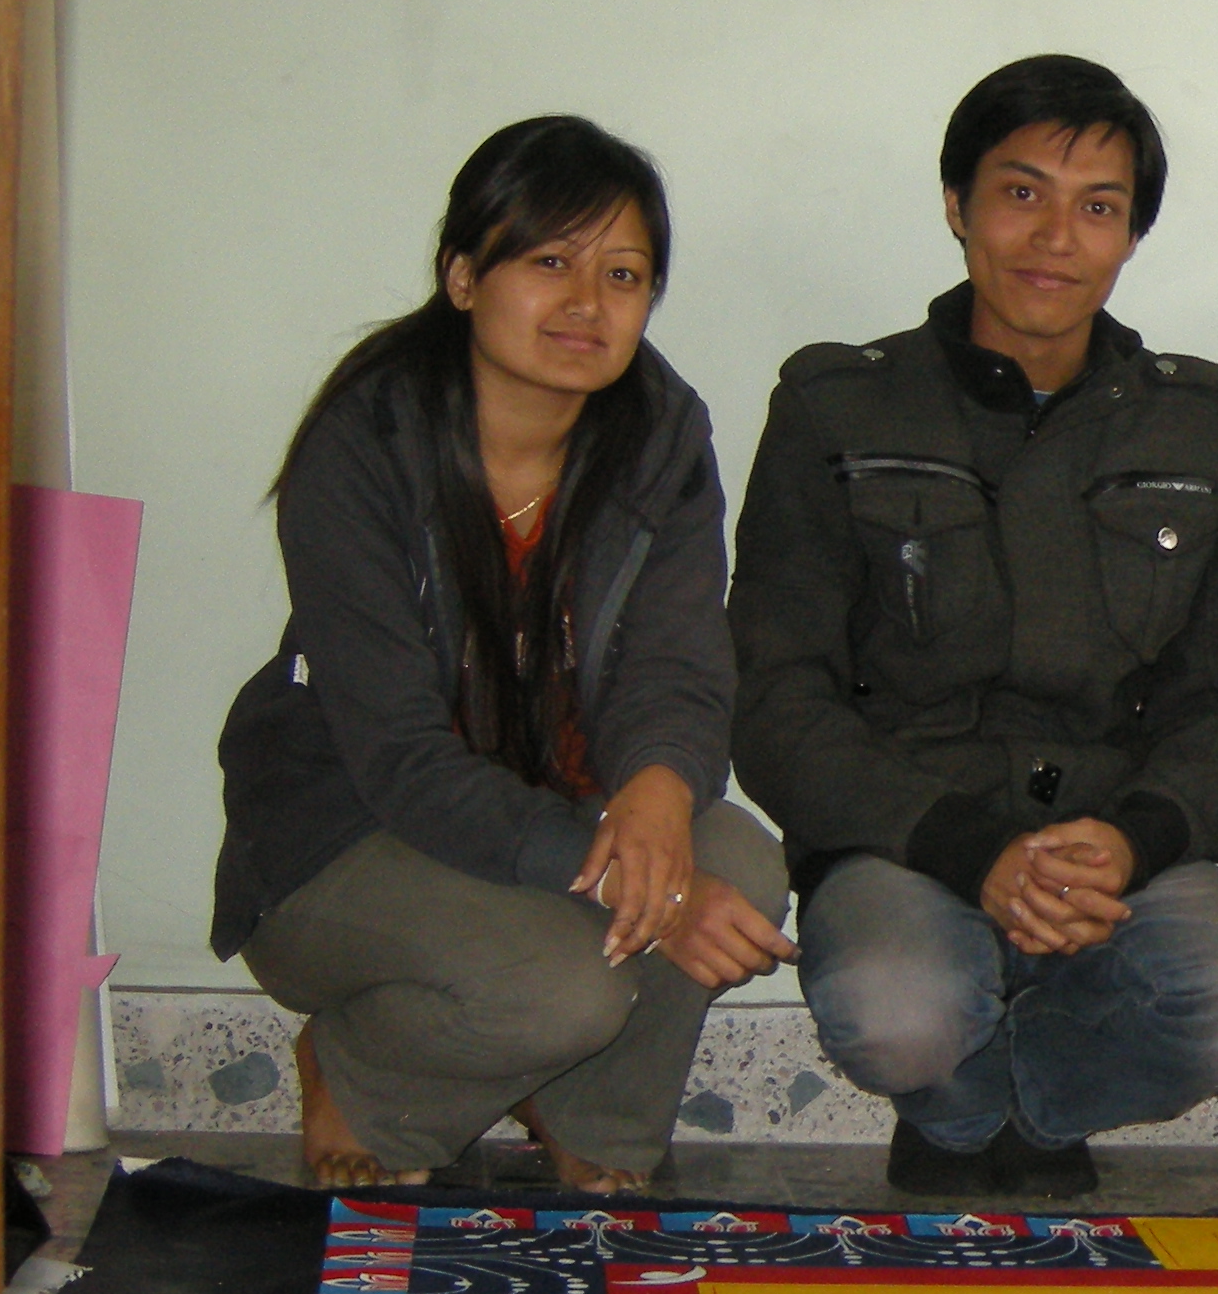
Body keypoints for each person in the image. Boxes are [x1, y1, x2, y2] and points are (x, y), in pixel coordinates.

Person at [728, 53, 1218, 1202]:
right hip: (907, 838)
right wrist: (962, 849)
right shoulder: (835, 406)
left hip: (1117, 850)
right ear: (956, 206)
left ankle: (1009, 1101)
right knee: (897, 1020)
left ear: (1132, 237)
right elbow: (778, 693)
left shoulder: (1205, 427)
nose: (1056, 236)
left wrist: (1139, 837)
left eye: (1097, 207)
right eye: (1021, 193)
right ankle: (951, 1085)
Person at [215, 115, 793, 1195]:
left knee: (742, 864)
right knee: (559, 989)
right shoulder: (367, 444)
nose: (587, 302)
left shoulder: (661, 432)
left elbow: (677, 662)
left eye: (623, 274)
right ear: (464, 275)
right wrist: (651, 892)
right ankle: (360, 1075)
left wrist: (661, 799)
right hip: (352, 833)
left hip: (555, 806)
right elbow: (400, 761)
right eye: (550, 262)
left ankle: (592, 1119)